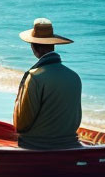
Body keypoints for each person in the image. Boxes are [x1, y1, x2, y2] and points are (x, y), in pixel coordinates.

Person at [13, 18, 82, 150]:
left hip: (35, 146)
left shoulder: (34, 77)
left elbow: (21, 124)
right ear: (53, 45)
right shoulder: (74, 76)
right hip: (70, 145)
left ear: (33, 47)